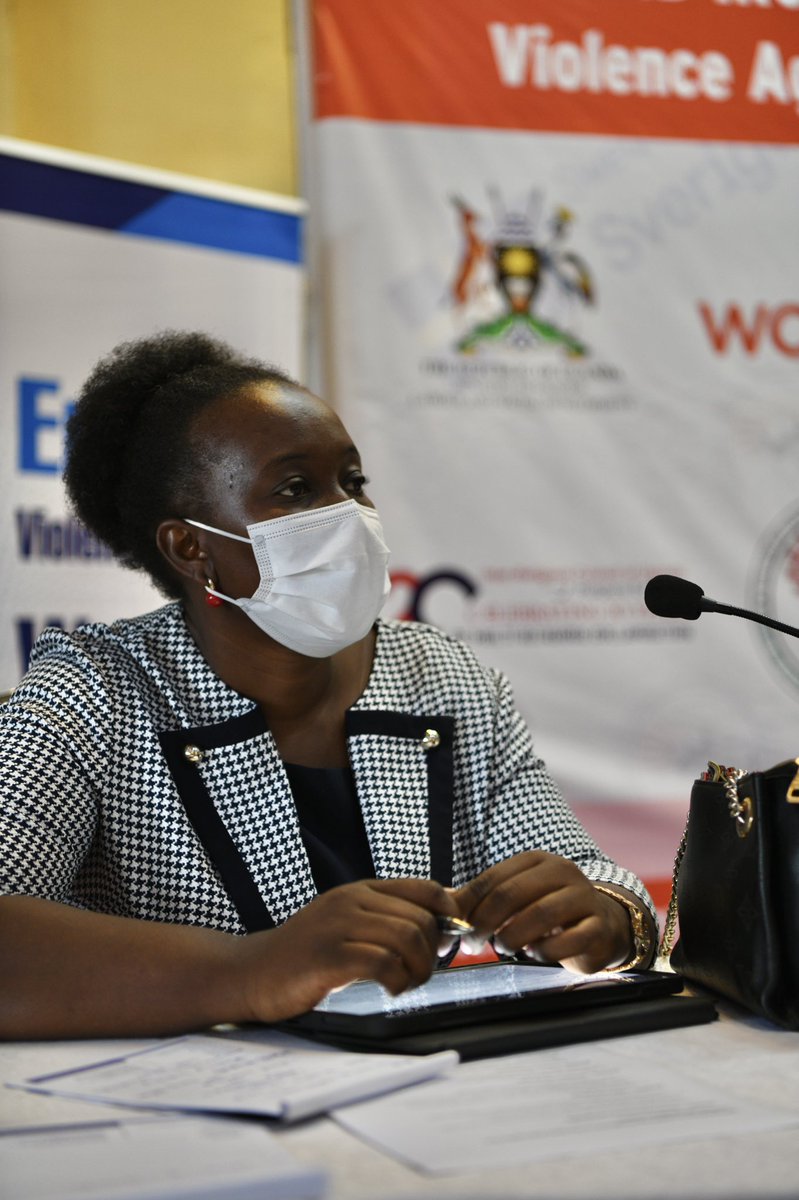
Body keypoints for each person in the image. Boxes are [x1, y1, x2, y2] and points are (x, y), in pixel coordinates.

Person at [0, 331, 656, 1039]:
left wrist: (605, 914)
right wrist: (252, 968)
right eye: (294, 490)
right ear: (191, 548)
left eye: (352, 481)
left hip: (432, 1099)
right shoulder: (94, 690)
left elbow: (585, 873)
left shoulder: (447, 679)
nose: (347, 515)